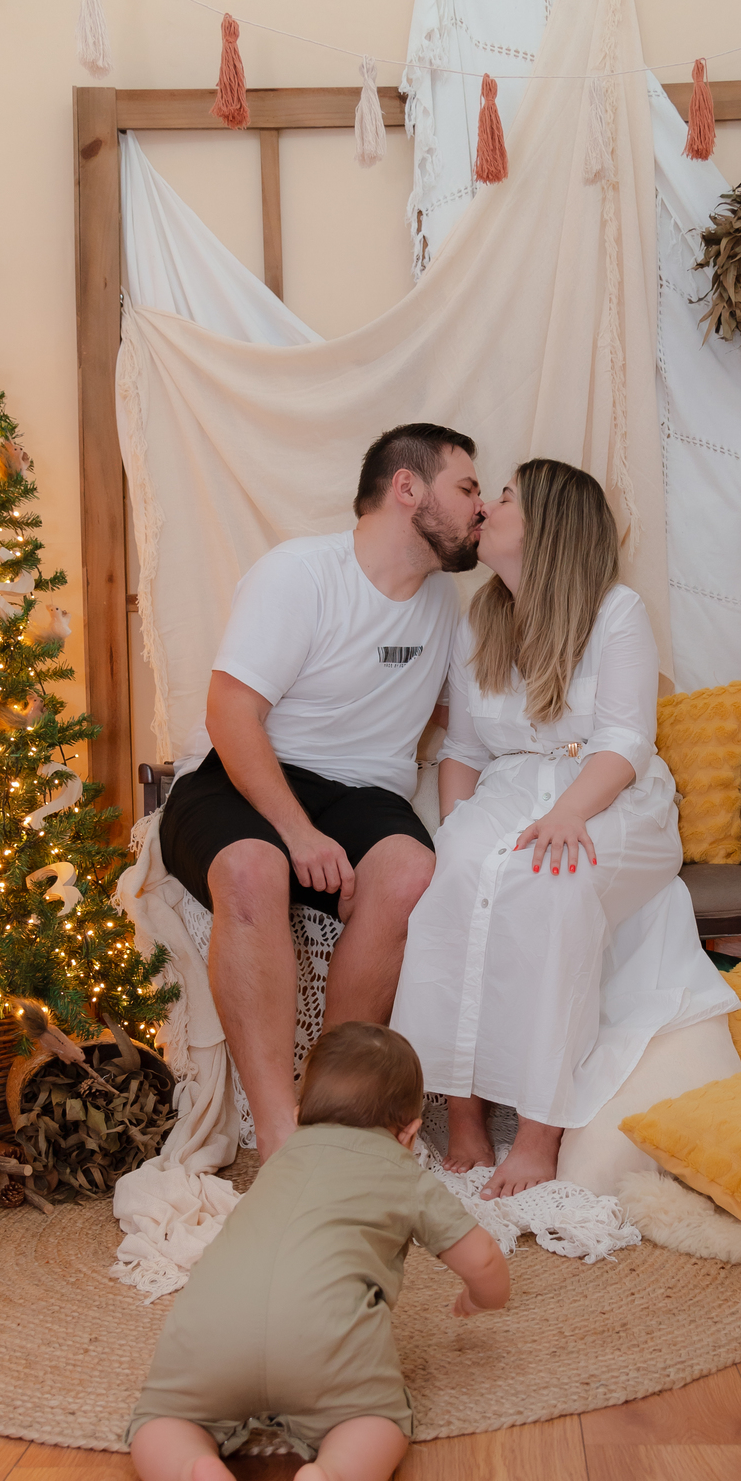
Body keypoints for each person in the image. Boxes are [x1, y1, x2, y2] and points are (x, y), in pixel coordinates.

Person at [390, 458, 735, 1199]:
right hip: (510, 790)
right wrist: (460, 830)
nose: (485, 508)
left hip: (609, 795)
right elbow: (463, 751)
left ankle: (539, 1129)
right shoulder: (479, 619)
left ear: (548, 525)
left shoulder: (616, 613)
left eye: (505, 498)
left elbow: (625, 743)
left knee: (554, 884)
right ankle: (464, 1110)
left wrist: (570, 812)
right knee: (449, 878)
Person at [159, 423, 484, 1159]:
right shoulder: (300, 574)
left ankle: (332, 1107)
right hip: (243, 775)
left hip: (364, 793)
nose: (480, 507)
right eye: (466, 488)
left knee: (411, 872)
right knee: (254, 868)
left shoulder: (444, 604)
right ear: (408, 488)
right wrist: (299, 833)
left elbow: (463, 714)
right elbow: (230, 713)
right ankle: (279, 1135)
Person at [127, 1021, 509, 1481]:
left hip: (210, 1333)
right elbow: (483, 1261)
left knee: (161, 1424)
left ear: (301, 1113)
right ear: (408, 1133)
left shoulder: (282, 1158)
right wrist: (483, 1298)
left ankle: (193, 1471)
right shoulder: (403, 1173)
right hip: (323, 1348)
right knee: (373, 1425)